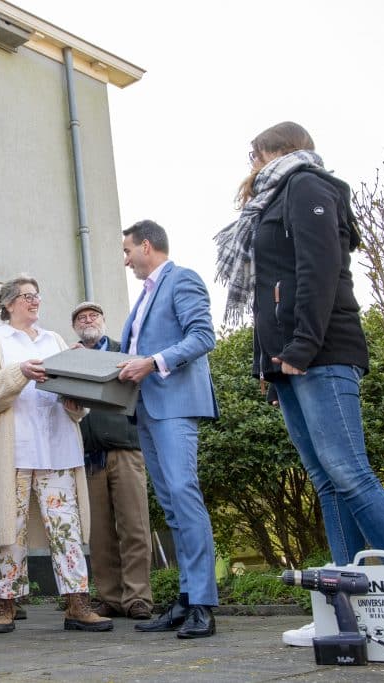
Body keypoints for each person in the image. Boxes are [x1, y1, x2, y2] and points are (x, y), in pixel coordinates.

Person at [214, 120, 384, 647]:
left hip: (321, 353)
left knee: (352, 474)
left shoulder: (306, 185)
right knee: (327, 481)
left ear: (271, 150)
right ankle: (344, 611)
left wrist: (301, 347)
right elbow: (268, 292)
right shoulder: (273, 198)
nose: (250, 164)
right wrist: (269, 363)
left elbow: (319, 269)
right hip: (290, 361)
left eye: (252, 153)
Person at [0, 275, 112, 635]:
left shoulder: (54, 340)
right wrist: (20, 372)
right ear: (9, 304)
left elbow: (75, 396)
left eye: (37, 296)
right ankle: (6, 605)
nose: (35, 302)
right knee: (9, 528)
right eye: (27, 296)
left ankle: (77, 603)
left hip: (58, 449)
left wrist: (76, 401)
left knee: (67, 527)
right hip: (13, 452)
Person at [117, 220, 219, 639]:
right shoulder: (141, 298)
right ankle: (185, 598)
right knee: (171, 505)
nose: (125, 260)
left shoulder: (182, 280)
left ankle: (203, 604)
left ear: (146, 245)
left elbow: (203, 336)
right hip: (146, 410)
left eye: (127, 251)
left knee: (183, 494)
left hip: (175, 404)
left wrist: (152, 362)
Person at [70, 301, 153, 621]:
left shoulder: (125, 352)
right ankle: (111, 598)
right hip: (90, 457)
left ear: (103, 321)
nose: (87, 320)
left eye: (93, 315)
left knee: (134, 527)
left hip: (126, 449)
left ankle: (137, 597)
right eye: (81, 317)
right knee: (100, 534)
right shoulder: (72, 357)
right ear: (76, 327)